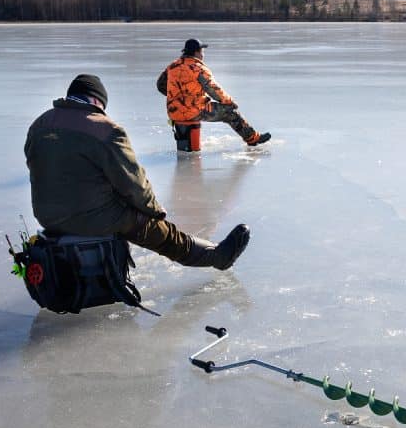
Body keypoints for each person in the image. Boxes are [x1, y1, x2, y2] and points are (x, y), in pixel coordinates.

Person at [24, 74, 250, 270]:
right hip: (92, 217)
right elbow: (134, 184)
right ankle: (218, 258)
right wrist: (155, 213)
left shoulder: (39, 124)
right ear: (96, 100)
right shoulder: (104, 129)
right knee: (157, 230)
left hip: (47, 216)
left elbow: (38, 167)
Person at [157, 39, 270, 146]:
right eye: (202, 51)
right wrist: (230, 102)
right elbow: (213, 89)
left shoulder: (172, 66)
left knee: (199, 106)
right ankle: (253, 139)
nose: (203, 55)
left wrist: (177, 98)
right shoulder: (198, 68)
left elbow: (160, 85)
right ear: (197, 52)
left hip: (173, 111)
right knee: (230, 113)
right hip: (194, 110)